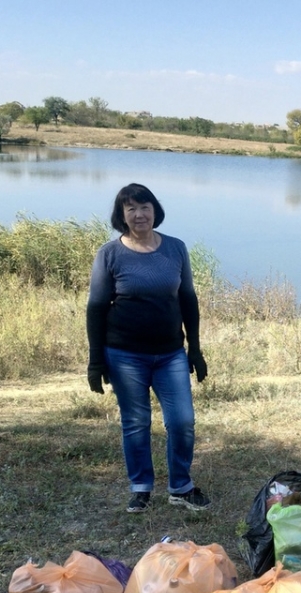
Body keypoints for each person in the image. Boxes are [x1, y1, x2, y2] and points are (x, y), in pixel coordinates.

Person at [86, 183, 210, 514]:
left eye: (145, 207)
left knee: (182, 420)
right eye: (131, 209)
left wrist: (194, 349)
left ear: (155, 211)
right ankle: (141, 487)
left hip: (170, 353)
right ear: (121, 216)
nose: (139, 214)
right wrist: (95, 360)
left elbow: (187, 299)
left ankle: (180, 487)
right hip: (124, 354)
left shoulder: (176, 249)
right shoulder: (109, 254)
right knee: (136, 422)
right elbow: (96, 307)